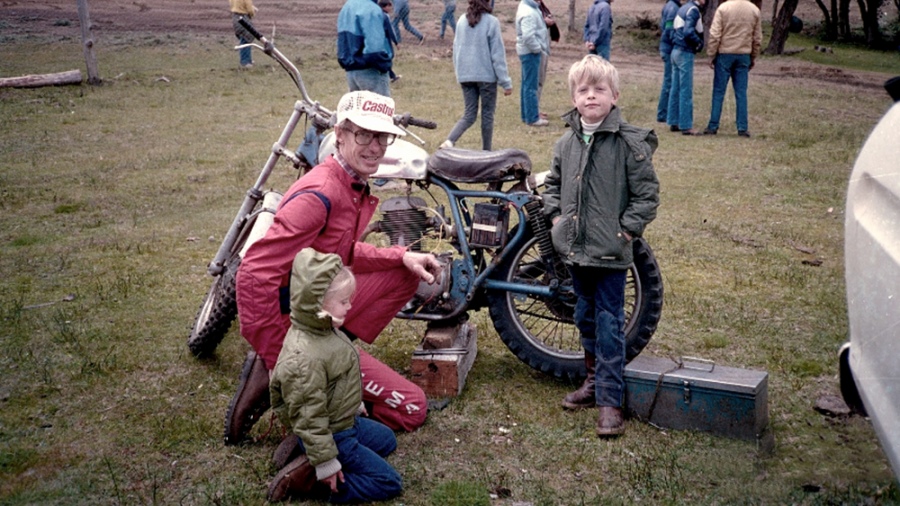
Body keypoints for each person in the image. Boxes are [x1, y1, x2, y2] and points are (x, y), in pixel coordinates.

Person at [225, 90, 443, 446]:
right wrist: (282, 356)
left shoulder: (351, 182)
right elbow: (253, 276)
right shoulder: (320, 195)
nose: (375, 147)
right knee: (412, 408)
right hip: (293, 325)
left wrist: (400, 256)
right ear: (339, 135)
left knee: (405, 273)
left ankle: (333, 358)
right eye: (363, 135)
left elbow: (339, 250)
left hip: (317, 310)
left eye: (382, 137)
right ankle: (299, 381)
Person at [543, 55, 660, 437]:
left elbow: (646, 196)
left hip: (610, 255)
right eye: (583, 90)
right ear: (574, 97)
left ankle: (611, 400)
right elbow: (552, 186)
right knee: (583, 316)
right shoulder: (565, 142)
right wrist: (558, 220)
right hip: (576, 252)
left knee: (610, 324)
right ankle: (593, 384)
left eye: (599, 89)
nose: (591, 96)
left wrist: (625, 232)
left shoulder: (629, 143)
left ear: (615, 95)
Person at [266, 248, 403, 503]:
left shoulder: (323, 328)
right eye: (343, 301)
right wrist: (327, 463)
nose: (350, 306)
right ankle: (313, 483)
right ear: (317, 304)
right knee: (388, 482)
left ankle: (302, 452)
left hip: (342, 421)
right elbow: (309, 416)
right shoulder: (303, 360)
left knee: (387, 441)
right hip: (332, 432)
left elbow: (336, 381)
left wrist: (353, 404)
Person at [440, 0, 512, 151]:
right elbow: (497, 55)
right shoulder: (492, 22)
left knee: (469, 115)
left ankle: (449, 141)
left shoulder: (460, 21)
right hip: (486, 78)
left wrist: (460, 74)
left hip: (466, 75)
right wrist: (505, 82)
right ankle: (486, 151)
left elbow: (456, 49)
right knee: (487, 115)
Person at [703, 0, 762, 137]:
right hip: (743, 54)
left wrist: (711, 54)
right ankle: (742, 127)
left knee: (718, 92)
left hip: (725, 53)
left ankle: (713, 125)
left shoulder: (723, 8)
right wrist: (753, 56)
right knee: (741, 93)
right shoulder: (754, 10)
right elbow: (757, 38)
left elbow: (715, 34)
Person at [338, 0, 395, 96]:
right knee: (378, 109)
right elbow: (374, 49)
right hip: (371, 71)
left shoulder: (347, 7)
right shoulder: (372, 10)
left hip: (351, 70)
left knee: (358, 109)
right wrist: (384, 65)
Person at [666, 0, 706, 135]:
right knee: (685, 90)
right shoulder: (693, 10)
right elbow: (689, 31)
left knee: (675, 88)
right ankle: (686, 125)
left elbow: (672, 29)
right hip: (685, 52)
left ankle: (673, 121)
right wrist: (699, 43)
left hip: (675, 50)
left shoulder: (682, 8)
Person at [515, 0, 550, 127]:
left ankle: (527, 114)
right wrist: (537, 49)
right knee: (531, 86)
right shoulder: (528, 12)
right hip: (530, 53)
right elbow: (528, 36)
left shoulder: (528, 7)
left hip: (527, 52)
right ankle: (532, 118)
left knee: (526, 84)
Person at [656, 0, 681, 123]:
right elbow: (669, 29)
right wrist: (678, 42)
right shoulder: (673, 7)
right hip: (669, 49)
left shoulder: (669, 5)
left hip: (665, 47)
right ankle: (663, 113)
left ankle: (664, 112)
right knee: (669, 82)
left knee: (668, 81)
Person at [537, 0, 559, 120]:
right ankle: (533, 111)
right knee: (537, 81)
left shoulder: (541, 7)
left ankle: (535, 109)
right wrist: (544, 22)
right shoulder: (531, 8)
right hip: (539, 49)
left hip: (544, 47)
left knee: (540, 80)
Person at [378, 0, 402, 83]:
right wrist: (396, 42)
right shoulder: (385, 16)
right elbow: (390, 30)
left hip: (377, 39)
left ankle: (391, 75)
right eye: (389, 6)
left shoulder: (376, 14)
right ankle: (390, 76)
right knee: (388, 56)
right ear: (385, 7)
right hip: (384, 39)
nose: (391, 9)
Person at [229, 0, 258, 68]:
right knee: (246, 39)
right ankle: (245, 62)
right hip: (243, 17)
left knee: (244, 38)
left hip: (235, 16)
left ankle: (247, 59)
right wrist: (253, 12)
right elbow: (249, 8)